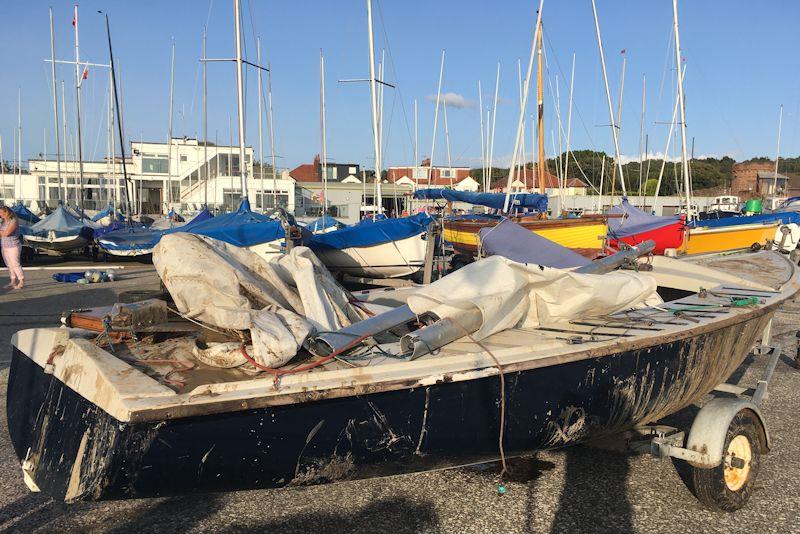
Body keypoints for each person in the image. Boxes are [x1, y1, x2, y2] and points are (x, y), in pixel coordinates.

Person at [0, 206, 24, 289]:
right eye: (0, 213)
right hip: (4, 246)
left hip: (13, 246)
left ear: (7, 212)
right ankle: (13, 281)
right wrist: (2, 232)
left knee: (15, 264)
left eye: (2, 213)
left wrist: (2, 232)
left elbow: (7, 233)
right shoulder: (3, 222)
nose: (1, 214)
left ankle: (21, 280)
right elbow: (2, 233)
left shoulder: (13, 221)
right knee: (9, 265)